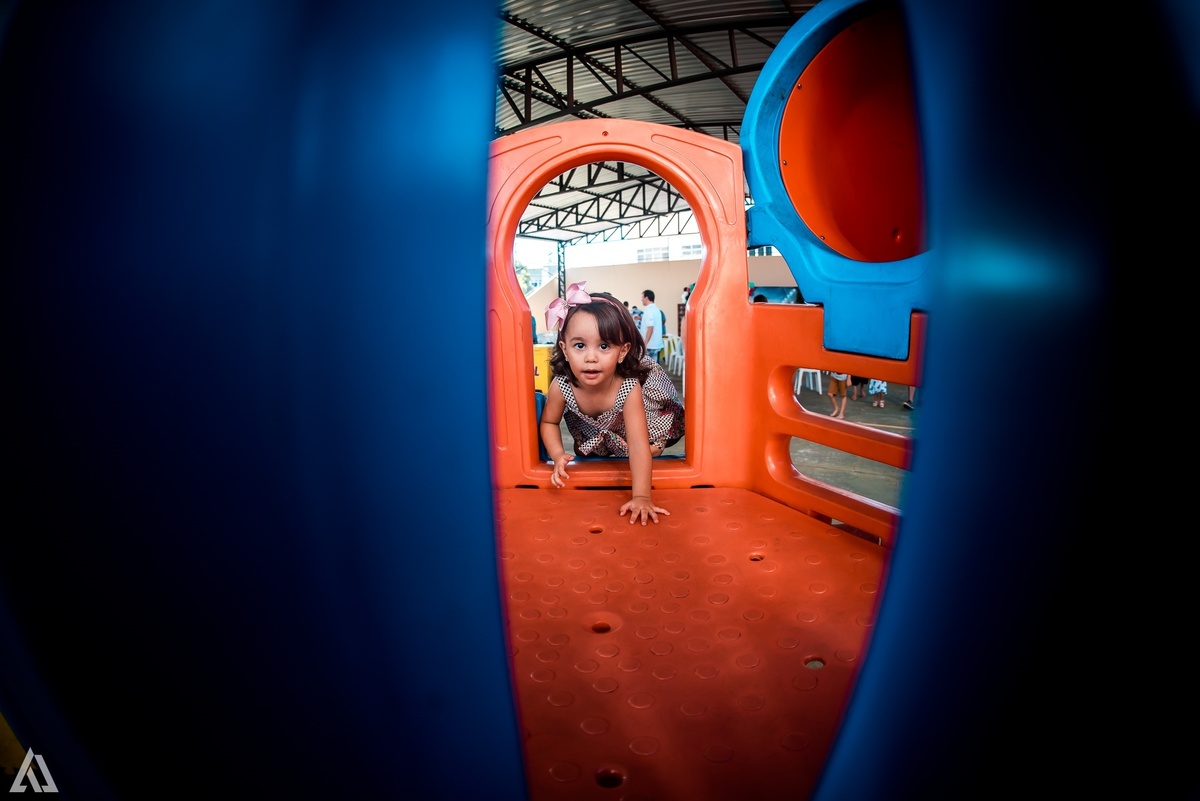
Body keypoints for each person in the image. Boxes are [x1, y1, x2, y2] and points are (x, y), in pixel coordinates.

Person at [541, 281, 684, 525]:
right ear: (564, 349)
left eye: (604, 346)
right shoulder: (562, 385)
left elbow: (638, 444)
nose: (591, 357)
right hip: (593, 436)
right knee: (591, 453)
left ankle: (656, 447)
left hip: (634, 431)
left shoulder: (628, 387)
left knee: (646, 447)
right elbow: (548, 421)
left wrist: (641, 495)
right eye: (579, 345)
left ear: (622, 351)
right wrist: (557, 454)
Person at [640, 289, 663, 363]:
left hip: (650, 345)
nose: (641, 299)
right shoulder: (656, 310)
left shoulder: (649, 310)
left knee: (648, 369)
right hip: (655, 344)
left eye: (642, 297)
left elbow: (650, 328)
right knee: (653, 369)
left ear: (646, 298)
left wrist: (645, 343)